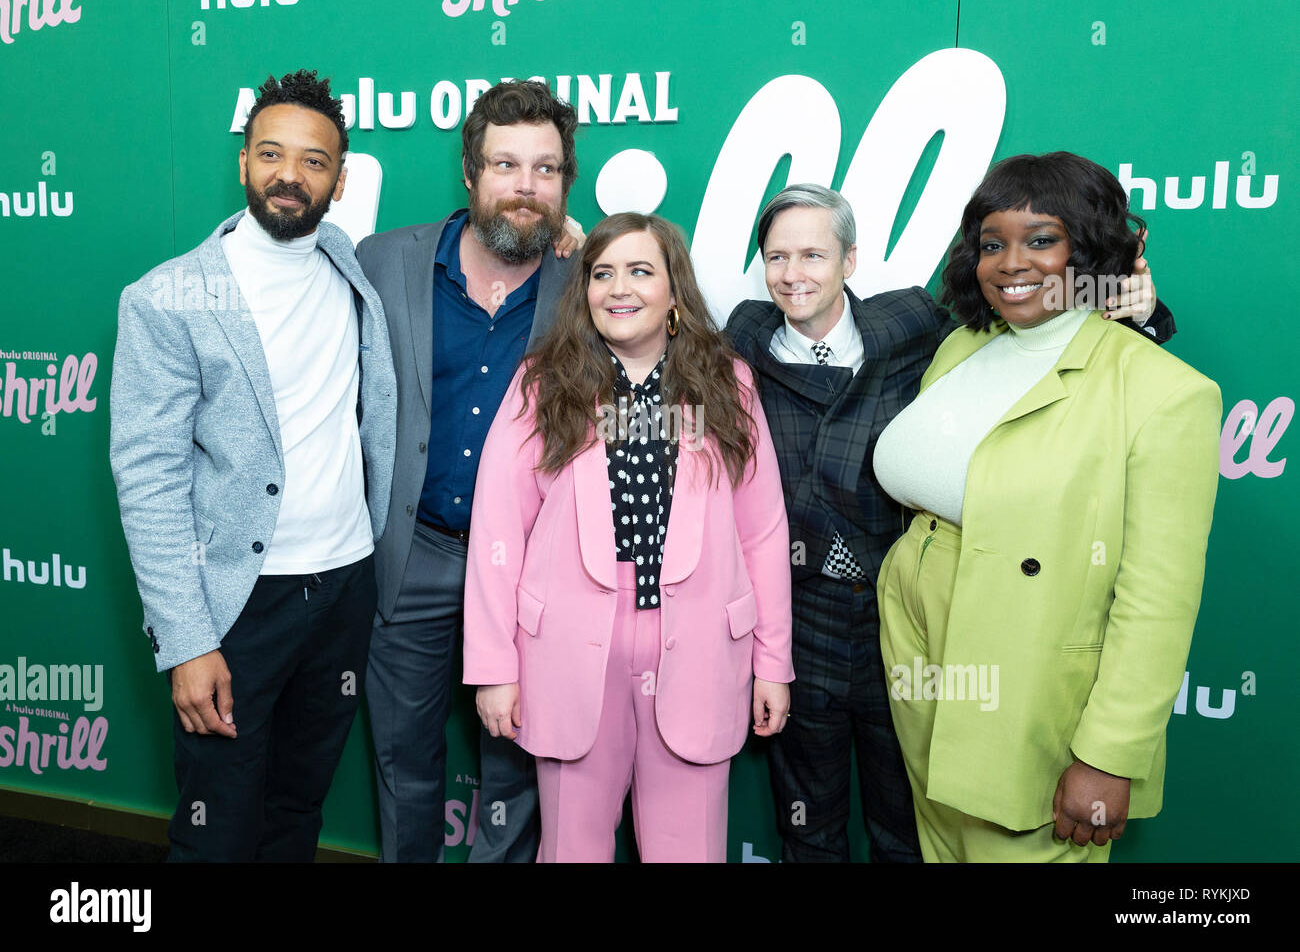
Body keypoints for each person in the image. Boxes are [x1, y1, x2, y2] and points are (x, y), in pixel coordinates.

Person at [725, 183, 1171, 862]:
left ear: (850, 260)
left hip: (908, 621)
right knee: (805, 822)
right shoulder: (742, 338)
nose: (794, 273)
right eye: (778, 257)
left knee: (909, 819)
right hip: (798, 620)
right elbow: (646, 322)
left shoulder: (915, 324)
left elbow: (1026, 322)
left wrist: (1135, 309)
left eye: (813, 254)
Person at [872, 151, 1220, 862]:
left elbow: (1157, 599)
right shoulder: (963, 347)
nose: (1010, 262)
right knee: (942, 846)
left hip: (1029, 679)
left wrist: (1109, 754)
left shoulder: (1164, 392)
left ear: (1088, 248)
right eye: (993, 243)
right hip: (922, 651)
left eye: (1041, 239)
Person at [109, 70, 396, 861]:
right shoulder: (167, 299)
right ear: (242, 164)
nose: (289, 175)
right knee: (217, 825)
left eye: (313, 161)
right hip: (237, 606)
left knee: (296, 809)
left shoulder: (351, 265)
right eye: (270, 153)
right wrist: (186, 641)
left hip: (344, 586)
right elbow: (148, 480)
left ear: (339, 180)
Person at [463, 212, 794, 862]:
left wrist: (772, 664)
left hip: (698, 648)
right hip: (567, 649)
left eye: (641, 271)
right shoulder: (544, 385)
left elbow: (764, 534)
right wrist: (493, 668)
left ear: (675, 292)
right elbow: (498, 528)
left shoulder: (728, 385)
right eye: (602, 273)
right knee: (571, 848)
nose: (619, 288)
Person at [356, 80, 583, 862]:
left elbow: (685, 346)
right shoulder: (383, 261)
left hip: (532, 571)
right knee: (403, 765)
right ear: (469, 170)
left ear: (565, 183)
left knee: (517, 775)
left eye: (545, 170)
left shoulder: (591, 286)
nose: (525, 187)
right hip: (411, 555)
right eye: (506, 165)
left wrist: (590, 250)